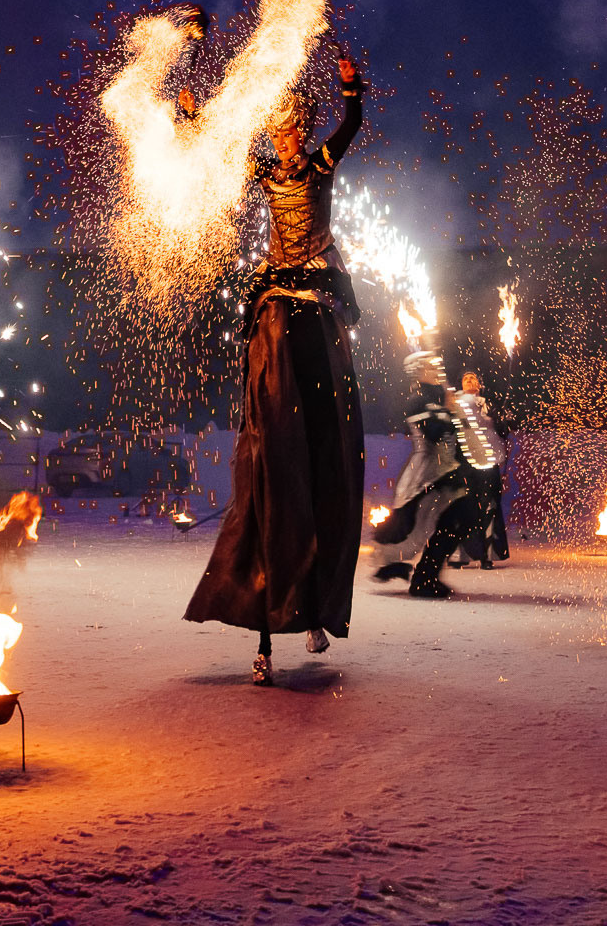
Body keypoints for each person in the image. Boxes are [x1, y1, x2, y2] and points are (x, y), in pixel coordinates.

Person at [185, 54, 368, 684]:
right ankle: (267, 636)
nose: (285, 142)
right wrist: (191, 117)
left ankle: (313, 609)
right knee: (272, 473)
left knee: (318, 463)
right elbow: (219, 151)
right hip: (275, 300)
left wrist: (349, 84)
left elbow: (353, 122)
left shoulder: (320, 164)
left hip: (315, 297)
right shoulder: (265, 172)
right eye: (279, 134)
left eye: (293, 132)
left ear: (305, 133)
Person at [372, 351, 483, 598]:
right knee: (428, 526)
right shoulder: (417, 399)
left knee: (460, 518)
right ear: (420, 371)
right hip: (426, 476)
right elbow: (433, 433)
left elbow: (457, 432)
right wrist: (449, 410)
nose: (437, 370)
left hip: (445, 472)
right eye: (432, 367)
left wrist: (454, 411)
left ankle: (427, 575)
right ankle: (424, 578)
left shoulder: (436, 397)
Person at [452, 370, 509, 569]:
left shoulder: (488, 405)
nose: (469, 380)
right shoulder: (456, 404)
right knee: (463, 506)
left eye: (473, 378)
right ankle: (462, 555)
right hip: (465, 462)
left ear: (479, 384)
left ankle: (486, 555)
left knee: (489, 507)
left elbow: (501, 431)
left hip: (488, 464)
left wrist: (500, 420)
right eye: (465, 378)